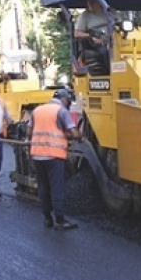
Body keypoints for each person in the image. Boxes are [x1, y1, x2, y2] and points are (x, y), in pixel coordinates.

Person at [28, 89, 82, 230]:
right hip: (54, 155)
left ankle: (47, 218)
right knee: (56, 187)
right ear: (64, 100)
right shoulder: (61, 111)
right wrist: (79, 136)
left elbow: (29, 132)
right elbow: (74, 133)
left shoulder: (37, 111)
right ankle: (60, 220)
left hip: (37, 154)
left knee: (43, 186)